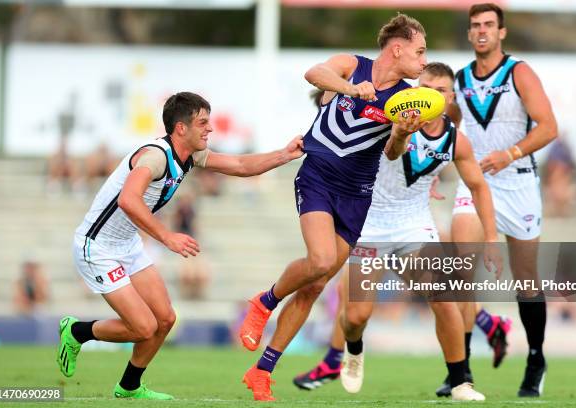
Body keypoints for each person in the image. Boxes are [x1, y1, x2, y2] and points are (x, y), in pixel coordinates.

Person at [57, 92, 304, 400]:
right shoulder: (155, 156)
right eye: (202, 122)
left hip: (127, 244)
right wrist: (167, 236)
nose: (209, 129)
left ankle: (129, 387)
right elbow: (128, 199)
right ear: (180, 128)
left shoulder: (190, 156)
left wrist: (285, 154)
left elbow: (240, 165)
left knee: (165, 320)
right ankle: (76, 332)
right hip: (97, 247)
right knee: (144, 327)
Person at [238, 14, 428, 401]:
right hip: (318, 177)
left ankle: (262, 370)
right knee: (321, 259)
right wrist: (350, 88)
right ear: (398, 48)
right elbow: (314, 73)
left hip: (357, 194)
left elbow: (392, 153)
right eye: (420, 51)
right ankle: (264, 301)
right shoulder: (351, 65)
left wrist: (403, 134)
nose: (424, 61)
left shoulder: (407, 98)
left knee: (316, 285)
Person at [294, 67, 508, 397]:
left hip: (413, 225)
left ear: (450, 97)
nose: (432, 95)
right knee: (355, 316)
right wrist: (398, 134)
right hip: (368, 225)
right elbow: (390, 151)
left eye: (440, 90)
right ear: (412, 90)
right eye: (425, 87)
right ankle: (353, 348)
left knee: (444, 298)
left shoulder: (455, 140)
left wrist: (492, 238)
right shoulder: (388, 119)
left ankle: (461, 380)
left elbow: (478, 186)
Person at [446, 3, 558, 398]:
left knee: (526, 283)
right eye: (475, 25)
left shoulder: (519, 72)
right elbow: (444, 134)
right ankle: (460, 372)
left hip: (519, 183)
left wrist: (509, 154)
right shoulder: (458, 80)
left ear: (502, 33)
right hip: (476, 185)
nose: (481, 31)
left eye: (489, 25)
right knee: (459, 269)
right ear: (469, 32)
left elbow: (549, 127)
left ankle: (535, 358)